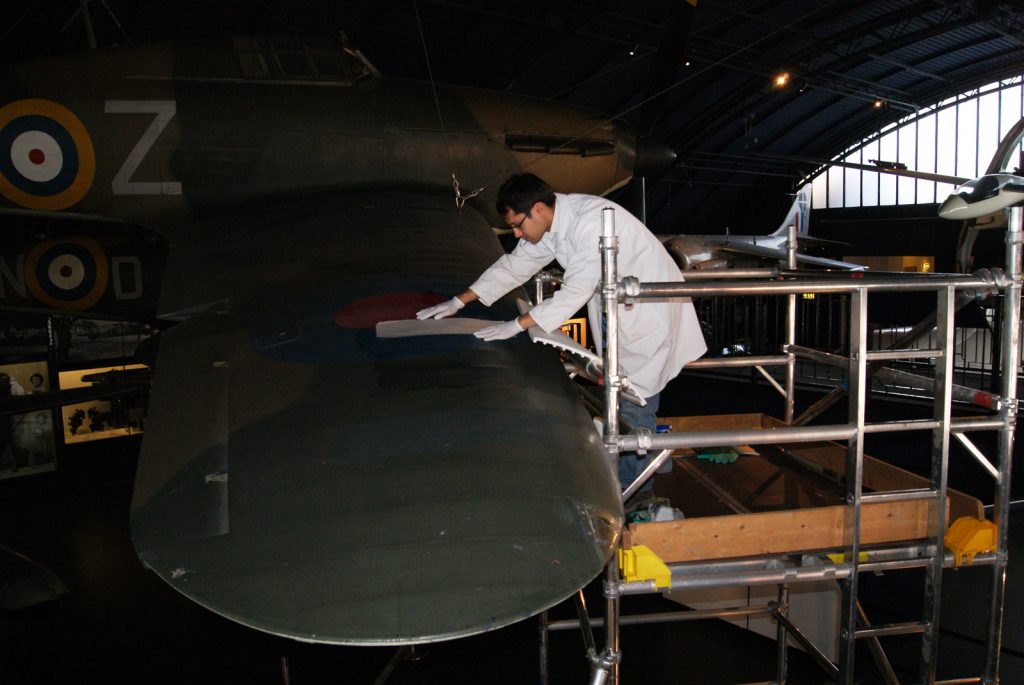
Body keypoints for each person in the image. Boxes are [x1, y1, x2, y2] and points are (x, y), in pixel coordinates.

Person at [416, 173, 706, 506]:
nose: (517, 234)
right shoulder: (552, 223)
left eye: (518, 225)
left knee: (635, 404)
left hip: (649, 313)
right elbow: (514, 265)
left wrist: (519, 324)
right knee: (620, 397)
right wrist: (460, 300)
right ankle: (637, 474)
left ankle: (635, 496)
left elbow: (575, 292)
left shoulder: (589, 223)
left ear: (537, 209)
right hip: (620, 313)